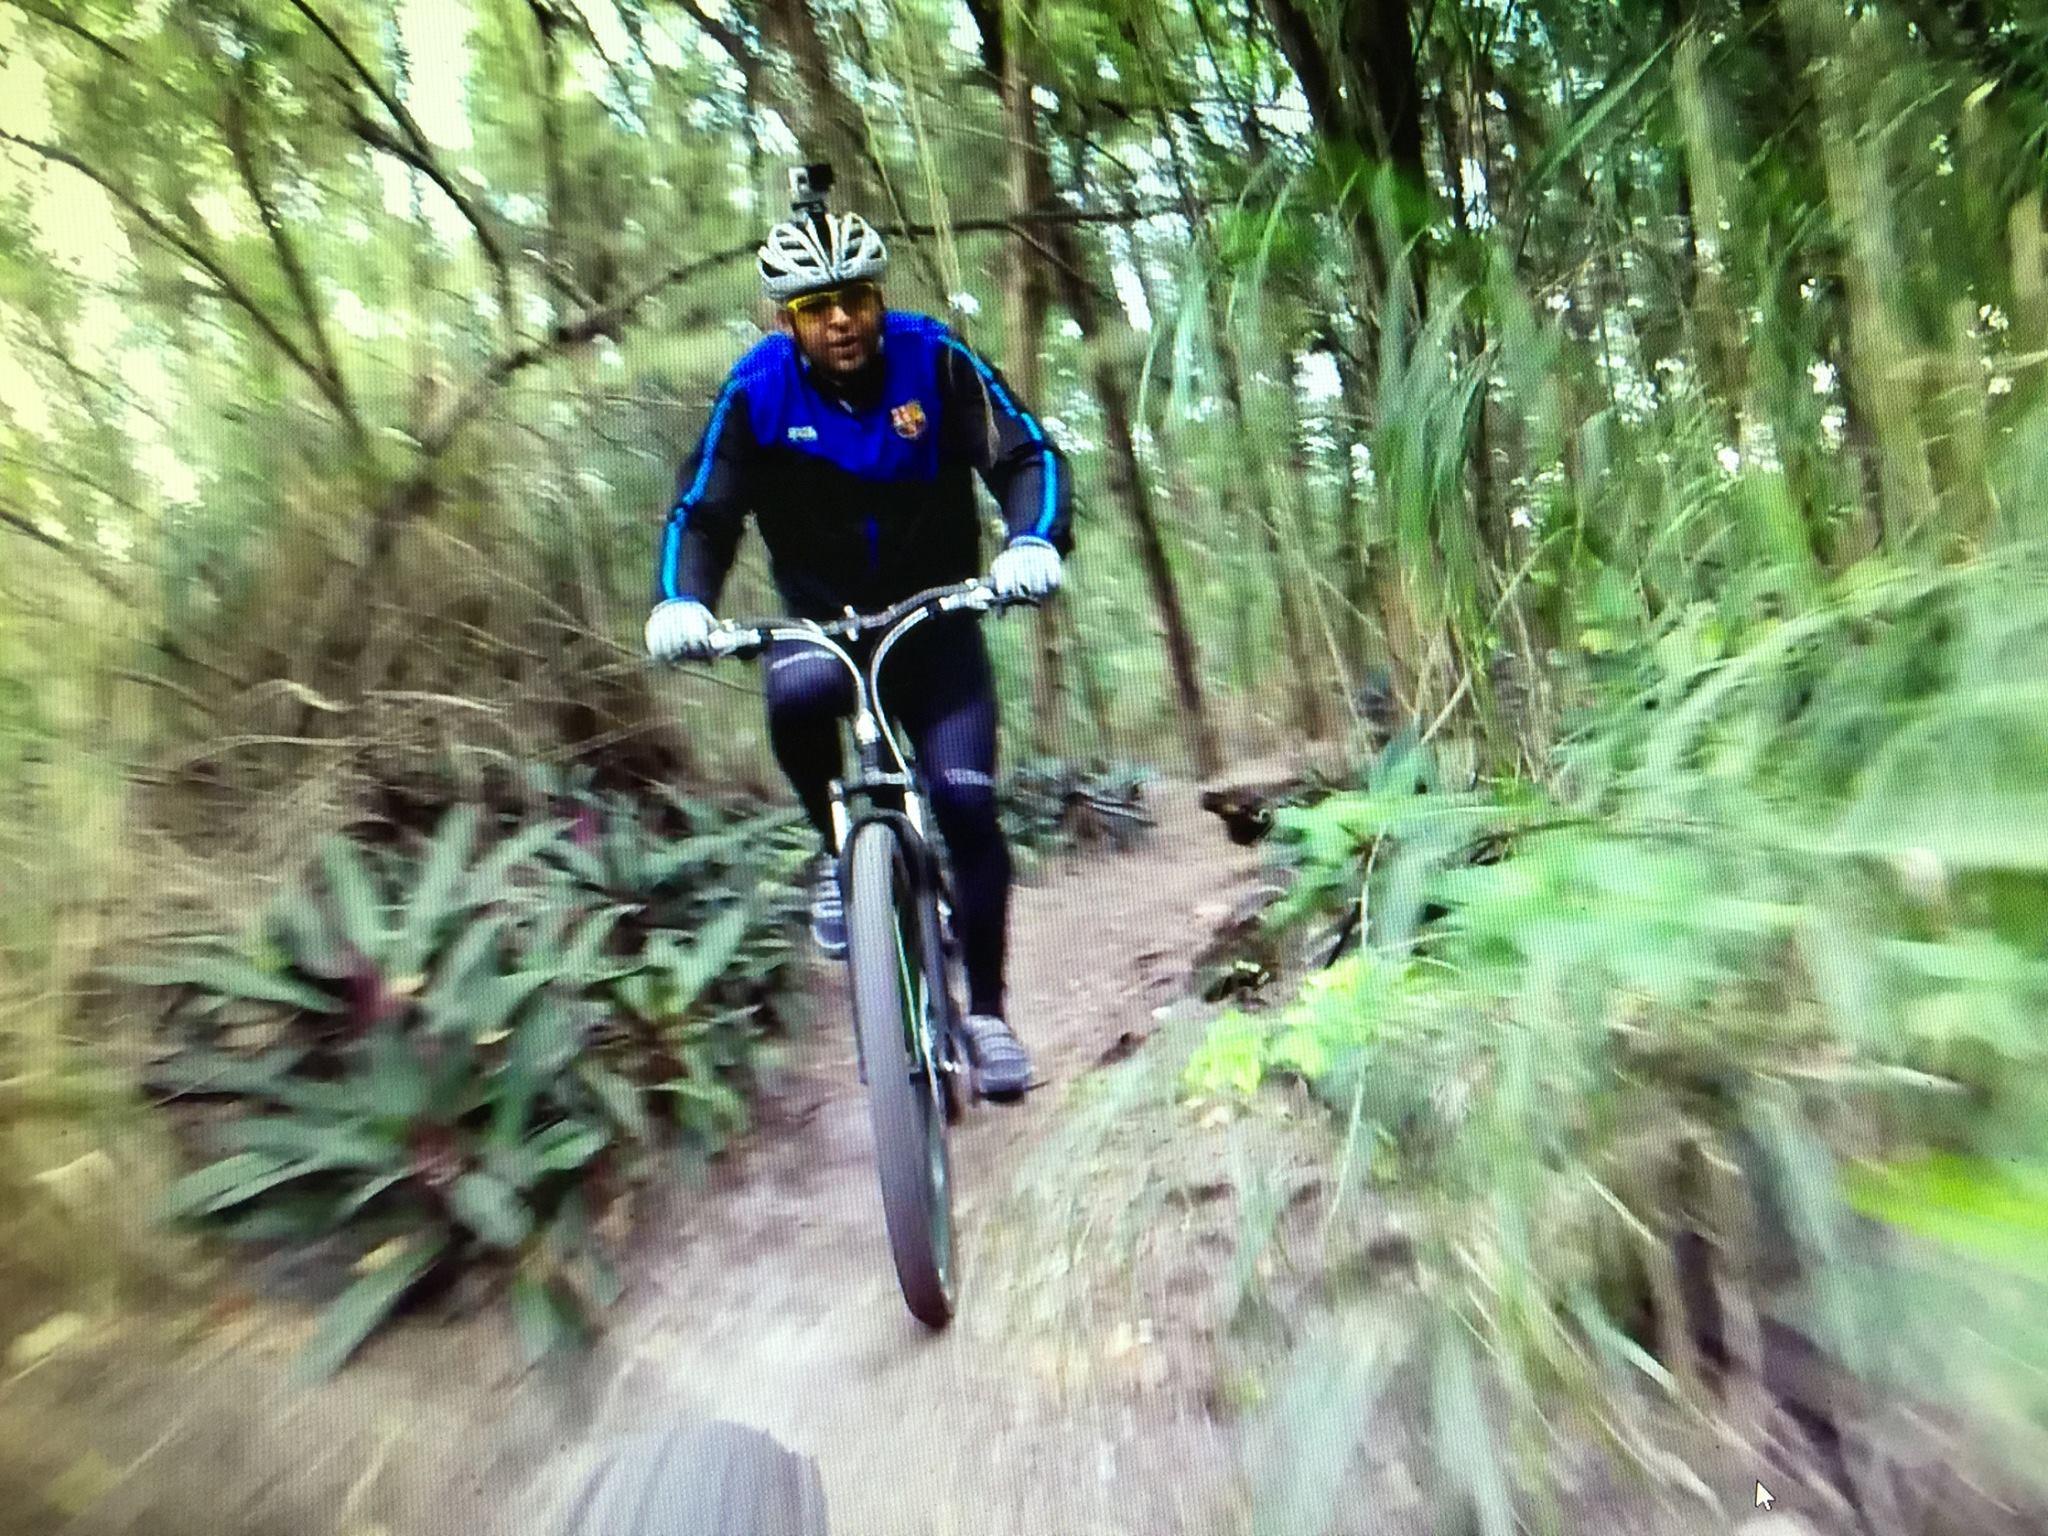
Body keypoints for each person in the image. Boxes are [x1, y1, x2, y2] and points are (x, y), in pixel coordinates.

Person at [642, 171, 1073, 1102]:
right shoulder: (757, 389)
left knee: (964, 807)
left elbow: (1024, 453)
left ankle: (989, 1013)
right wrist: (682, 600)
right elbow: (705, 511)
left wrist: (1031, 538)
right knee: (794, 692)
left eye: (856, 299)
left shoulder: (935, 360)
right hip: (821, 626)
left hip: (938, 622)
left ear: (880, 299)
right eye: (816, 307)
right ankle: (838, 853)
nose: (840, 321)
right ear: (788, 318)